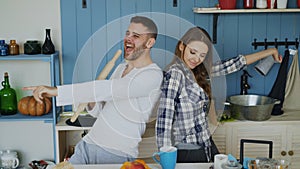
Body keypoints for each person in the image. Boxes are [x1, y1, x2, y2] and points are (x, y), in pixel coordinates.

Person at [24, 16, 163, 164]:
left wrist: (56, 90)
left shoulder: (152, 75)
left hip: (116, 152)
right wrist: (91, 101)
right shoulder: (121, 67)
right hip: (89, 143)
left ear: (150, 42)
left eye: (135, 36)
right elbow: (100, 109)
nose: (128, 38)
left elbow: (109, 89)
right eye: (127, 33)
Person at [155, 26, 282, 163]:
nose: (197, 59)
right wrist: (166, 157)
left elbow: (233, 64)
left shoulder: (199, 71)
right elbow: (164, 119)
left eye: (202, 55)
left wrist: (271, 51)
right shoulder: (175, 74)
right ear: (181, 46)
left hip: (206, 144)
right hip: (187, 150)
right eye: (193, 52)